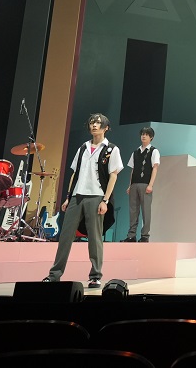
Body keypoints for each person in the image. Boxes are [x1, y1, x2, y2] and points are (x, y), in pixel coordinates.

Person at [43, 113, 123, 288]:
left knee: (95, 237)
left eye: (98, 123)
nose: (94, 125)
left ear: (106, 128)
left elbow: (113, 176)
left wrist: (105, 200)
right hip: (77, 196)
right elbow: (75, 173)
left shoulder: (111, 149)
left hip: (96, 196)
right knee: (65, 236)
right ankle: (54, 275)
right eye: (92, 122)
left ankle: (95, 276)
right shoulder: (83, 148)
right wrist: (68, 196)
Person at [123, 126, 159, 242]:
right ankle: (131, 235)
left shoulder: (153, 151)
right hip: (134, 184)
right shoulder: (135, 152)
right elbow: (133, 169)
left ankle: (145, 236)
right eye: (142, 134)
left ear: (151, 137)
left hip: (145, 184)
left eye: (146, 134)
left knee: (146, 211)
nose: (144, 136)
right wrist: (130, 185)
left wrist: (150, 185)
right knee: (133, 211)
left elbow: (155, 168)